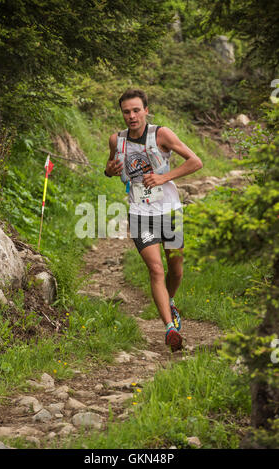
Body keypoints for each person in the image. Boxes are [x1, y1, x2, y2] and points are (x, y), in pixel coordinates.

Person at [105, 89, 203, 352]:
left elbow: (196, 162)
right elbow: (110, 167)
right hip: (140, 214)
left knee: (176, 270)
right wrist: (110, 170)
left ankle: (169, 301)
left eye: (136, 110)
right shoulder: (117, 140)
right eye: (126, 111)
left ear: (146, 110)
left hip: (170, 211)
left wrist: (163, 177)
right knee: (156, 270)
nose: (132, 116)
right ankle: (170, 328)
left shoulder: (161, 135)